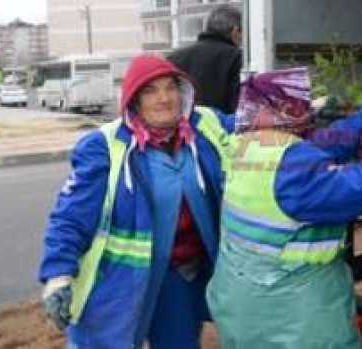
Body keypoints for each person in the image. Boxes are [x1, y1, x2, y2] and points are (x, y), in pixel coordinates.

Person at [205, 68, 362, 348]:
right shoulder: (292, 166)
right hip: (293, 315)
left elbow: (324, 144)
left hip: (243, 304)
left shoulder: (243, 148)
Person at [37, 54, 237, 348]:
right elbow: (71, 216)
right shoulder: (104, 146)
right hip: (120, 280)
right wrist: (58, 273)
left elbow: (257, 125)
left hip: (180, 276)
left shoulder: (206, 126)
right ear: (134, 100)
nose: (164, 98)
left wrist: (295, 106)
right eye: (150, 91)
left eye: (171, 87)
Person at [168, 4, 243, 114]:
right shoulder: (236, 57)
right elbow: (237, 104)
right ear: (235, 31)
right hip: (220, 123)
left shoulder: (174, 57)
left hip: (183, 123)